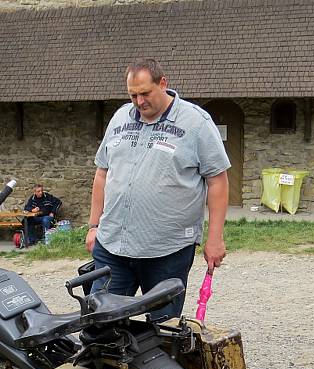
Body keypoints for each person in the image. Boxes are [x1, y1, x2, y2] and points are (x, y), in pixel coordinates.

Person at [85, 58, 230, 319]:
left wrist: (215, 238)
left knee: (162, 330)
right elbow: (102, 173)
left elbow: (217, 180)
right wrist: (94, 225)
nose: (139, 102)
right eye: (133, 95)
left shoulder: (195, 122)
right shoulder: (119, 118)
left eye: (145, 93)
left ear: (163, 83)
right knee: (100, 323)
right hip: (113, 244)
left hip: (167, 250)